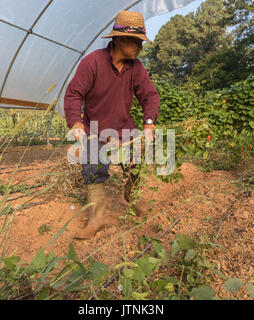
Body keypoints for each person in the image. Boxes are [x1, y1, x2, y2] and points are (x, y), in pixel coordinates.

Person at [64, 10, 160, 239]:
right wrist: (76, 123)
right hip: (95, 130)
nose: (140, 47)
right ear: (120, 40)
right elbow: (73, 94)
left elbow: (150, 96)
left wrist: (148, 123)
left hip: (124, 127)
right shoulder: (92, 63)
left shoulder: (136, 68)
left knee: (137, 157)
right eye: (137, 42)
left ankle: (133, 197)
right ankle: (97, 219)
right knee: (94, 168)